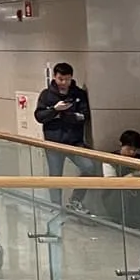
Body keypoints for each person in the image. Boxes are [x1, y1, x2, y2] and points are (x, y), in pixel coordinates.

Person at [36, 62, 94, 200]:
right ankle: (55, 207)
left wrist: (64, 115)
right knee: (55, 176)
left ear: (71, 77)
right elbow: (39, 116)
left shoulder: (78, 94)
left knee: (89, 167)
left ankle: (75, 200)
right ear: (54, 77)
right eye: (61, 79)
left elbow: (84, 116)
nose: (64, 83)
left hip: (75, 142)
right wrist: (54, 110)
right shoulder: (46, 95)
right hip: (53, 143)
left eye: (67, 79)